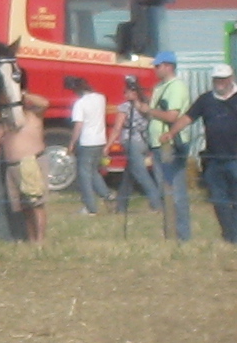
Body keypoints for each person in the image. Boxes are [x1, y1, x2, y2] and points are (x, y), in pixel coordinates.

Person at [0, 81, 51, 249]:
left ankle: (40, 240)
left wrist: (22, 94)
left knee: (36, 204)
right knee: (23, 206)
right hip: (12, 166)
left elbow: (45, 103)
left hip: (31, 162)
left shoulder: (33, 114)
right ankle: (30, 238)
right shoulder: (7, 119)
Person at [149, 54, 194, 242]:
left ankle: (182, 237)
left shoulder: (176, 87)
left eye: (158, 66)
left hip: (171, 145)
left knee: (175, 193)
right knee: (165, 192)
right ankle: (170, 234)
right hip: (158, 145)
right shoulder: (159, 87)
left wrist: (147, 110)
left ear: (168, 66)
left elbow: (172, 116)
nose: (155, 69)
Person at [194, 62, 237, 244]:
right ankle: (230, 236)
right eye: (216, 79)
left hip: (235, 158)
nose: (219, 82)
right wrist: (171, 134)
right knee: (219, 201)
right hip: (213, 160)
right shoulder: (206, 100)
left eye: (223, 79)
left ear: (230, 79)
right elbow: (189, 117)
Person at [112, 75, 163, 216]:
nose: (124, 94)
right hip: (144, 142)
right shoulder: (146, 105)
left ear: (131, 93)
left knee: (142, 175)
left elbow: (117, 128)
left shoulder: (125, 107)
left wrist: (107, 145)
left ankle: (156, 205)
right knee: (129, 174)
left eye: (126, 91)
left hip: (131, 142)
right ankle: (121, 206)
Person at [66, 75, 109, 214]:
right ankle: (106, 194)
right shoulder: (101, 98)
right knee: (94, 171)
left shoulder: (80, 103)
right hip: (100, 139)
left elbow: (79, 125)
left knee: (84, 175)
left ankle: (90, 207)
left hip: (87, 141)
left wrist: (72, 143)